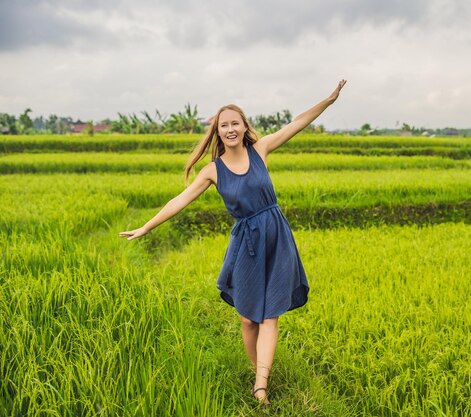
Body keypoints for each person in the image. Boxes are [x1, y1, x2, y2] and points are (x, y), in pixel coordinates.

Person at [118, 79, 347, 407]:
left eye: (234, 123)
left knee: (271, 315)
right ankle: (258, 371)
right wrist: (146, 227)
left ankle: (260, 386)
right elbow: (180, 200)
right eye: (223, 124)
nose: (229, 129)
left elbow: (297, 123)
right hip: (245, 242)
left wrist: (328, 100)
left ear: (243, 127)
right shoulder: (212, 171)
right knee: (247, 318)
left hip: (276, 234)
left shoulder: (261, 150)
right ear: (217, 131)